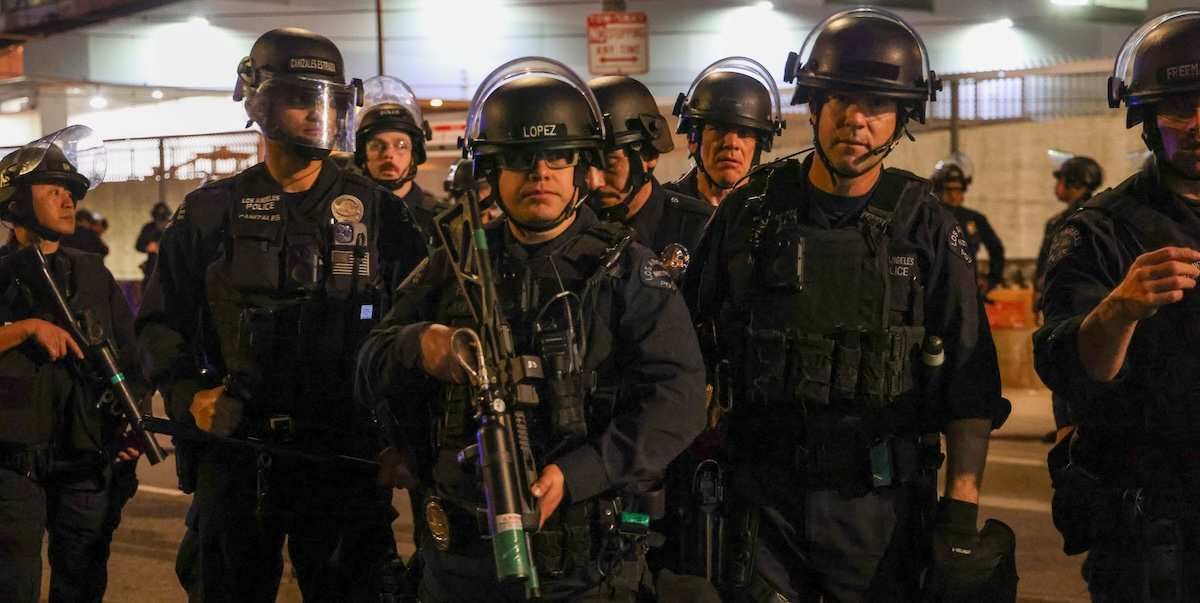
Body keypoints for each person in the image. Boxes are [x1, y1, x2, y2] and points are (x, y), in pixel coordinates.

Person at [687, 8, 1015, 600]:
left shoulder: (927, 228)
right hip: (763, 503)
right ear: (813, 106)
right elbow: (686, 351)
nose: (856, 121)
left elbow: (971, 385)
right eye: (840, 100)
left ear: (901, 120)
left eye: (877, 106)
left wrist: (960, 514)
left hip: (879, 507)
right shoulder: (750, 214)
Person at [354, 56, 707, 602]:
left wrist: (578, 473)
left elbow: (677, 401)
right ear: (493, 171)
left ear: (583, 169)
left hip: (583, 568)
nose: (540, 173)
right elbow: (370, 362)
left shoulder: (626, 270)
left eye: (557, 157)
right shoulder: (457, 263)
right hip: (457, 564)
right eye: (520, 158)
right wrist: (419, 345)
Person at [135, 28, 426, 601]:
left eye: (330, 101)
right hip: (239, 457)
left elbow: (419, 330)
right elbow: (159, 327)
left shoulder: (381, 216)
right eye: (300, 98)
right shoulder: (209, 213)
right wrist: (190, 393)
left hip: (344, 460)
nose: (317, 115)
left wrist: (409, 437)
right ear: (257, 101)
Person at [1035, 9, 1200, 599]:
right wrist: (1119, 309)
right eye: (1180, 107)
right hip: (1152, 530)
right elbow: (1072, 373)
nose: (1199, 123)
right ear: (1148, 119)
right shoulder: (1099, 231)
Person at [0, 126, 141, 603]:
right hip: (14, 466)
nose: (68, 200)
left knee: (81, 583)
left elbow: (133, 355)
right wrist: (23, 330)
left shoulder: (90, 272)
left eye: (72, 192)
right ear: (16, 200)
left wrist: (130, 425)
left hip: (86, 458)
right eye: (54, 189)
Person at [588, 75, 711, 279]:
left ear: (650, 155)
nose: (594, 181)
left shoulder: (701, 229)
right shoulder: (570, 232)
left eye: (608, 163)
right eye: (585, 163)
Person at [665, 57, 785, 207]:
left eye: (744, 132)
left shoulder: (775, 214)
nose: (731, 143)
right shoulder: (662, 211)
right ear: (692, 139)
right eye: (718, 129)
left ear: (760, 145)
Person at [355, 75, 449, 260]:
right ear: (362, 154)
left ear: (414, 154)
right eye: (377, 145)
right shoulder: (345, 214)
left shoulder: (442, 221)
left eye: (401, 145)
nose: (389, 154)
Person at [931, 155, 1006, 292]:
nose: (954, 195)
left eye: (958, 189)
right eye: (949, 190)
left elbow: (996, 249)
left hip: (968, 289)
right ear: (940, 191)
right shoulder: (929, 218)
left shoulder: (975, 219)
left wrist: (991, 279)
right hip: (936, 289)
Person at [135, 201, 171, 285]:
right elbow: (138, 245)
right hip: (152, 267)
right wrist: (148, 247)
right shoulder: (149, 228)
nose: (161, 223)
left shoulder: (173, 227)